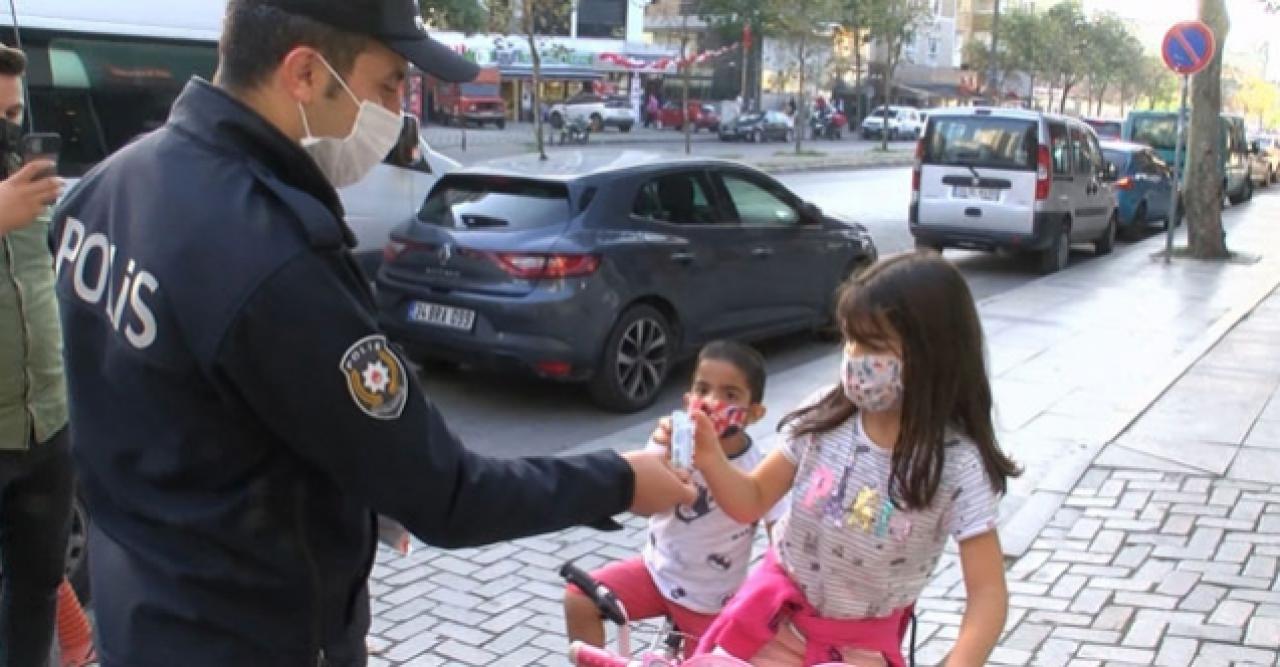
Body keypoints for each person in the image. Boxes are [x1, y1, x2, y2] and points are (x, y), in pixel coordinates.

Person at [48, 2, 694, 665]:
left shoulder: (107, 186)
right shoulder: (275, 259)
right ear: (304, 73)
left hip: (144, 611)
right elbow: (447, 494)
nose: (398, 110)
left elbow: (188, 410)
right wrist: (620, 478)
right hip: (252, 634)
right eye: (388, 84)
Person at [665, 253, 1020, 666]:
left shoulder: (957, 465)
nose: (854, 356)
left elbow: (988, 594)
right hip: (770, 623)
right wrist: (709, 456)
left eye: (873, 345)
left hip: (854, 650)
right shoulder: (823, 417)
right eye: (850, 339)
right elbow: (752, 498)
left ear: (932, 352)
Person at [563, 341, 784, 656]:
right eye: (703, 390)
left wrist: (767, 600)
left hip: (710, 601)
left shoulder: (760, 468)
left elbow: (781, 537)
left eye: (730, 395)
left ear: (755, 414)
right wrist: (658, 454)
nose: (711, 402)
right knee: (579, 598)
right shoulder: (673, 444)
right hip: (656, 574)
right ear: (688, 400)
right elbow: (639, 503)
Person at [0, 44, 74, 667]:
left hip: (46, 424)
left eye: (14, 113)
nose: (8, 129)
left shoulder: (27, 187)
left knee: (36, 589)